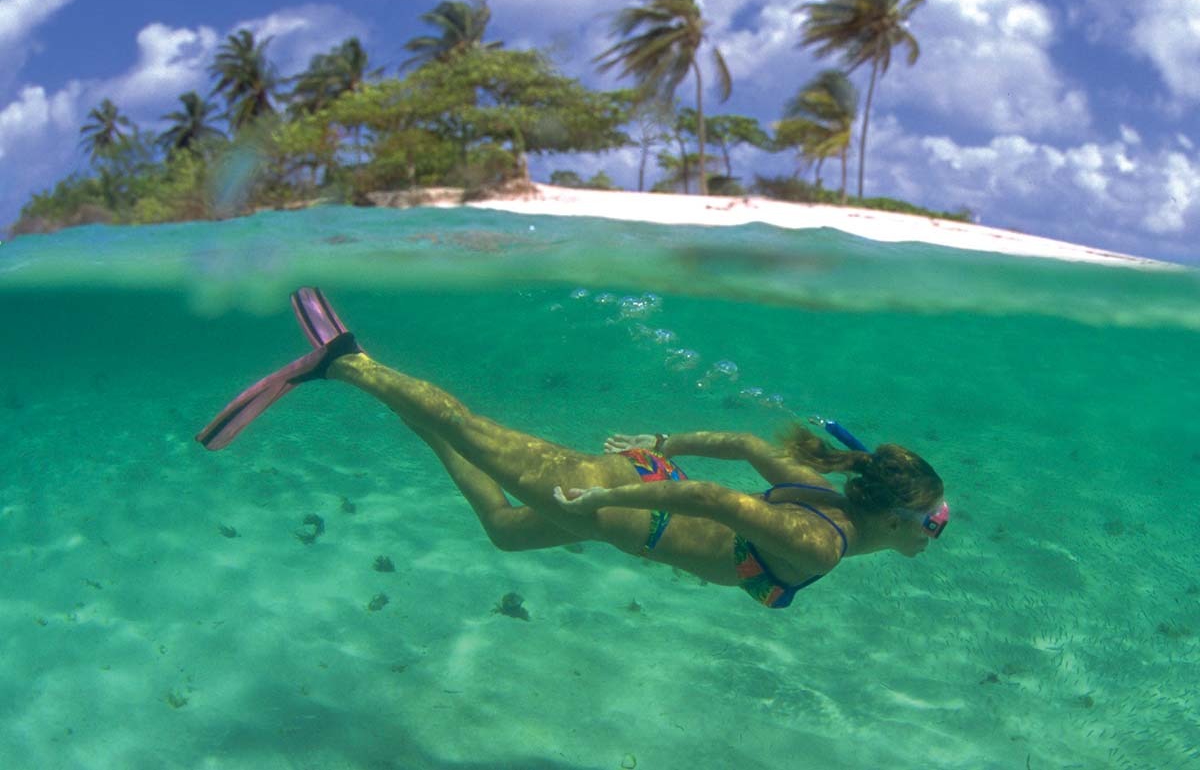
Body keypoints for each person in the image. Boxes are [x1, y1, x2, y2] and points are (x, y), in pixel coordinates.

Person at [198, 287, 949, 609]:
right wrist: (605, 496)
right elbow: (708, 497)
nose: (937, 529)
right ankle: (345, 363)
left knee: (502, 527)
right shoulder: (819, 544)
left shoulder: (826, 503)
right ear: (896, 517)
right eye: (934, 520)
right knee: (471, 426)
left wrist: (659, 445)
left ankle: (401, 406)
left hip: (638, 487)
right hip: (620, 503)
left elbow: (745, 443)